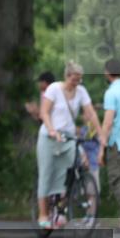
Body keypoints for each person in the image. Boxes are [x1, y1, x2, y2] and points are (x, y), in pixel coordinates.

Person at [35, 61, 105, 229]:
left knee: (68, 174)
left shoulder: (81, 91)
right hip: (49, 136)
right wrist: (52, 130)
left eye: (79, 80)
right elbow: (44, 112)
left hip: (69, 137)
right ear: (67, 76)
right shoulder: (54, 89)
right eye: (74, 79)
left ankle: (60, 210)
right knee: (47, 173)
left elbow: (91, 113)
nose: (77, 83)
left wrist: (101, 134)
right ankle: (43, 214)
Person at [99, 59, 120, 228]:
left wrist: (102, 147)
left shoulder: (111, 92)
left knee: (115, 181)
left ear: (107, 72)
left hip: (118, 142)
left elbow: (107, 122)